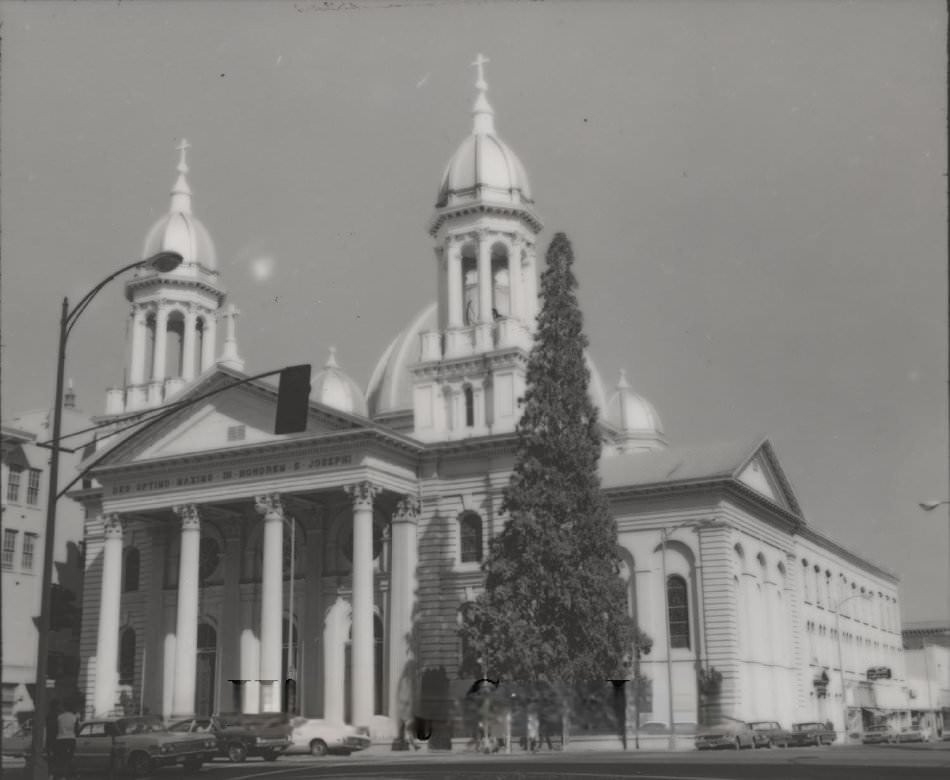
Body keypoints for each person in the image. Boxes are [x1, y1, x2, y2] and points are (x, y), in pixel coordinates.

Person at [51, 700, 79, 780]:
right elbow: (77, 730)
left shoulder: (59, 717)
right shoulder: (74, 717)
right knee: (70, 758)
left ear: (65, 707)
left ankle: (60, 775)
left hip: (60, 739)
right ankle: (70, 775)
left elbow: (55, 729)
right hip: (71, 739)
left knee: (61, 758)